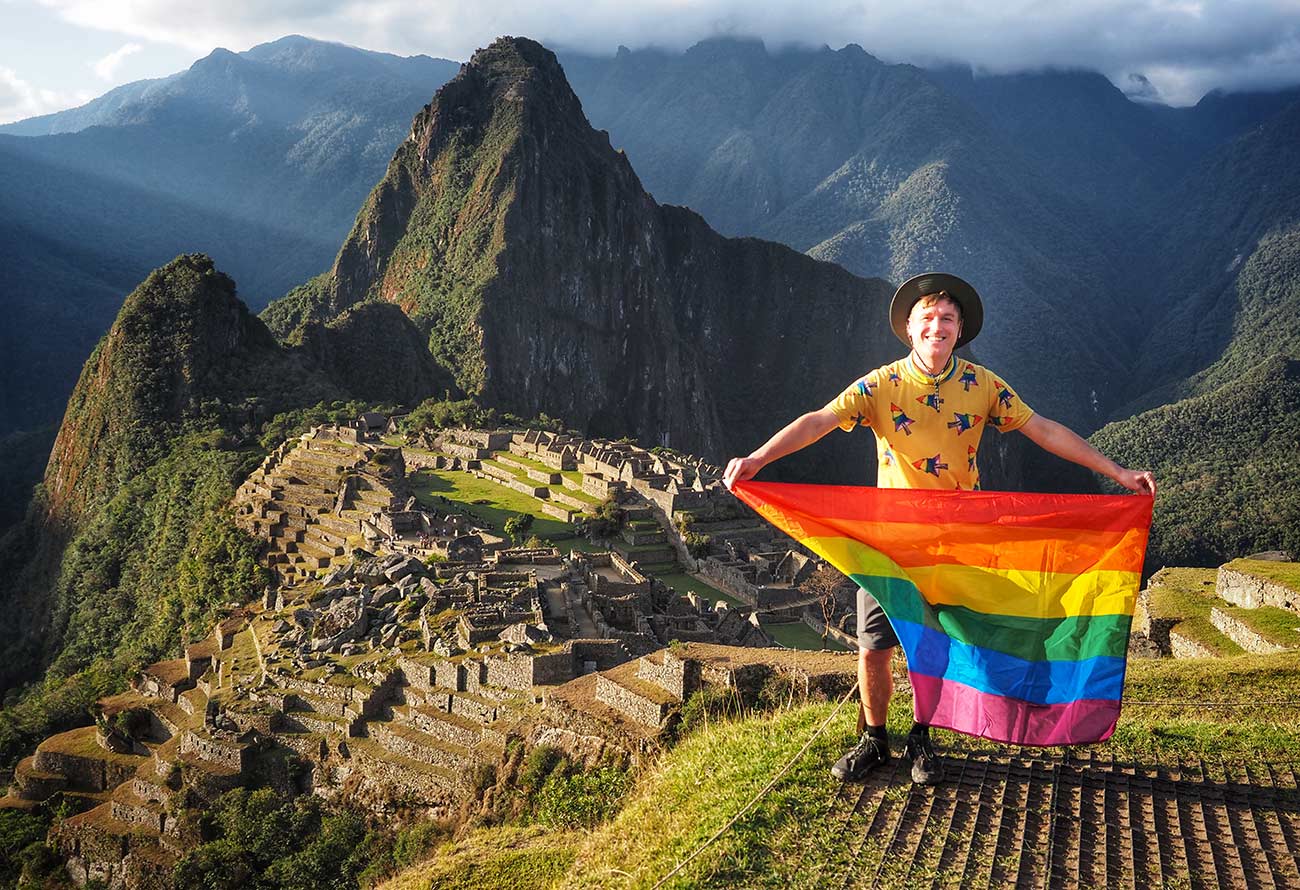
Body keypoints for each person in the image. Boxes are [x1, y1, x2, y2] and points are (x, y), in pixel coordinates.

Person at [722, 272, 1155, 786]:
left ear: (959, 329)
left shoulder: (983, 385)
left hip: (955, 540)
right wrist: (759, 458)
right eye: (927, 318)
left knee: (937, 645)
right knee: (874, 645)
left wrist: (1117, 474)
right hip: (890, 541)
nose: (937, 326)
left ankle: (923, 738)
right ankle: (874, 739)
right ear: (909, 328)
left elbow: (1042, 429)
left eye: (946, 319)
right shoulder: (880, 385)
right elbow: (818, 420)